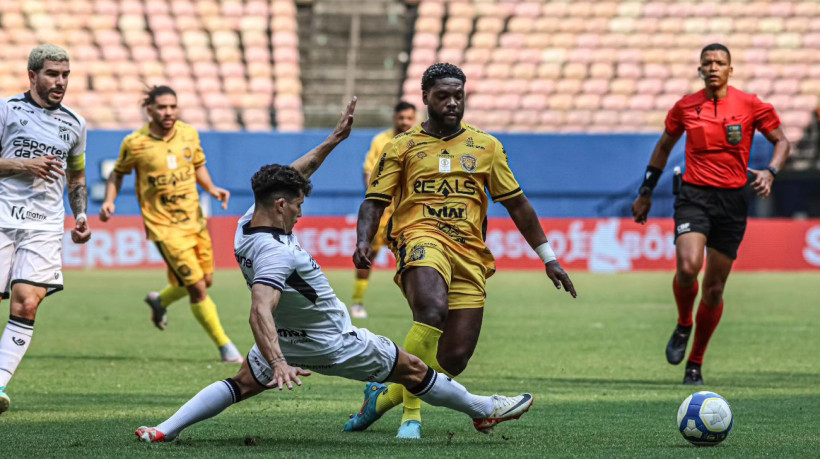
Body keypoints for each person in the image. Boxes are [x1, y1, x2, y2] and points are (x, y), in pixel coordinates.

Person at [135, 98, 533, 443]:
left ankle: (164, 429)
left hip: (288, 339)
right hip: (334, 342)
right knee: (414, 370)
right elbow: (259, 309)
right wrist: (278, 365)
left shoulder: (247, 223)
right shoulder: (275, 254)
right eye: (297, 205)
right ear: (280, 205)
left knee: (239, 384)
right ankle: (484, 409)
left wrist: (334, 139)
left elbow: (294, 175)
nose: (300, 211)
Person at [347, 63, 576, 439]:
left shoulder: (486, 146)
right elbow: (374, 201)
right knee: (431, 311)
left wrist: (549, 258)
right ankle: (411, 417)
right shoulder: (401, 146)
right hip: (419, 237)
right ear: (426, 98)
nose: (452, 102)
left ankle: (382, 398)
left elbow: (518, 205)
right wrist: (362, 240)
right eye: (443, 96)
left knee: (454, 359)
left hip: (469, 253)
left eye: (458, 95)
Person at [631, 44, 791, 385]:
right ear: (700, 69)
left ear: (730, 70)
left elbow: (782, 142)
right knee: (688, 267)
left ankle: (695, 362)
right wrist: (645, 191)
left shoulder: (751, 104)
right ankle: (683, 322)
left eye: (720, 62)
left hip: (733, 202)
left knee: (715, 288)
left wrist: (771, 171)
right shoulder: (685, 107)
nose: (714, 67)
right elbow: (663, 147)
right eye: (708, 62)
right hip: (694, 196)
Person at [99, 85, 242, 363]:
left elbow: (197, 165)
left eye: (173, 107)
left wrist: (212, 188)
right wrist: (109, 201)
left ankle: (160, 301)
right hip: (164, 227)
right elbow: (118, 173)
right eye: (162, 107)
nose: (168, 112)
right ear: (149, 109)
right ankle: (225, 346)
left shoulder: (189, 134)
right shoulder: (135, 143)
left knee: (205, 281)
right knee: (197, 288)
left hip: (194, 221)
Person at [0, 44, 92, 414]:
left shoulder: (75, 124)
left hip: (44, 225)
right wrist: (24, 164)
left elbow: (77, 177)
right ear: (32, 75)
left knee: (27, 301)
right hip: (2, 217)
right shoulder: (7, 110)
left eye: (65, 74)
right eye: (53, 74)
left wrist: (80, 215)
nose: (60, 82)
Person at [350, 101, 416, 319]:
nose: (405, 122)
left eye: (409, 118)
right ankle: (357, 302)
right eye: (401, 118)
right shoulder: (381, 141)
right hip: (383, 211)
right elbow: (369, 172)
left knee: (415, 257)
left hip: (408, 212)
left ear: (415, 118)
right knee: (367, 254)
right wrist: (376, 199)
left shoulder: (421, 140)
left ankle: (419, 303)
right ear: (394, 118)